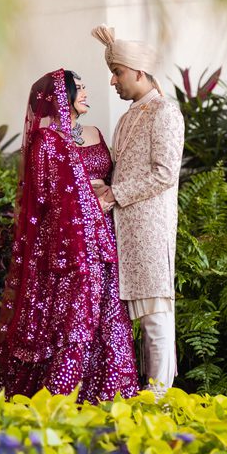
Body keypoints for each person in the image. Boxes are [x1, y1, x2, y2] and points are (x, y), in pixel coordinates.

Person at [0, 68, 139, 402]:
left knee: (107, 314)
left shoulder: (95, 132)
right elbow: (47, 195)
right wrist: (87, 193)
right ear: (62, 96)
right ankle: (63, 394)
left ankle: (110, 393)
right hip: (69, 243)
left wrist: (106, 191)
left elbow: (115, 178)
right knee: (76, 315)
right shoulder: (47, 141)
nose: (86, 93)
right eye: (80, 88)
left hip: (104, 236)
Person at [91, 25, 185, 397]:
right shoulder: (129, 117)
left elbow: (164, 174)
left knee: (155, 317)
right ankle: (145, 395)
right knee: (137, 319)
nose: (113, 81)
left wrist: (115, 195)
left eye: (117, 72)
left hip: (149, 228)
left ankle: (160, 399)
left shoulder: (165, 112)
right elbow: (123, 170)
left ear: (139, 72)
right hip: (124, 229)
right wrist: (102, 186)